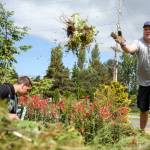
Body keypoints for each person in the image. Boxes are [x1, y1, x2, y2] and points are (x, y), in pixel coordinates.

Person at [111, 21, 150, 131]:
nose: (148, 31)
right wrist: (122, 43)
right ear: (143, 31)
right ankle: (142, 133)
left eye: (149, 29)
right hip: (143, 83)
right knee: (143, 110)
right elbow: (129, 50)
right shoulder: (138, 42)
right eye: (146, 29)